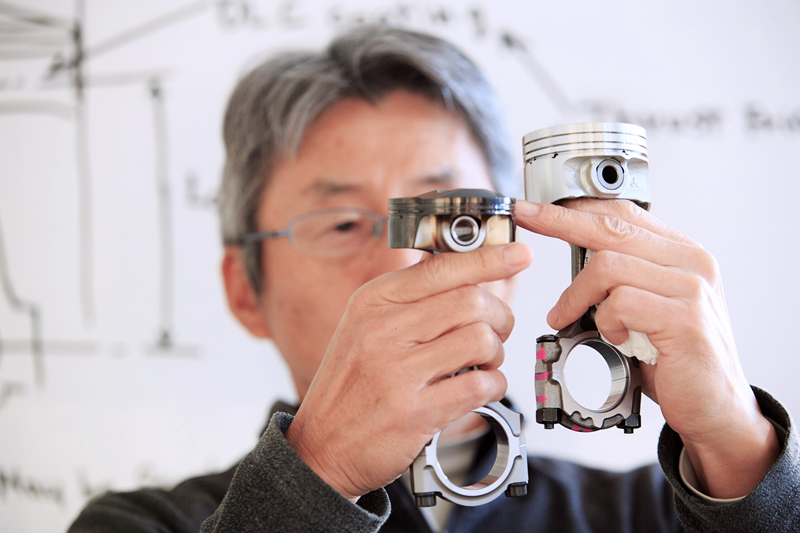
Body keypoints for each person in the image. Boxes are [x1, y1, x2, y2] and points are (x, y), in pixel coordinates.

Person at [68, 25, 798, 533]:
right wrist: (317, 473)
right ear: (243, 290)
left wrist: (739, 451)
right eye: (342, 224)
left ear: (517, 245)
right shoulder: (145, 524)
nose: (403, 265)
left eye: (458, 223)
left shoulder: (665, 515)